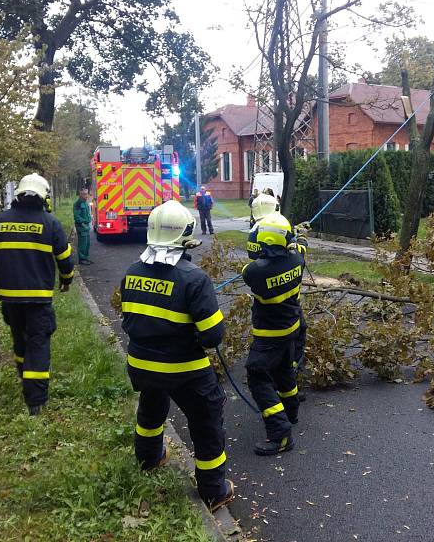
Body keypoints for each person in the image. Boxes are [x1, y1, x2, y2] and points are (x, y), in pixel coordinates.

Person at [120, 200, 234, 511]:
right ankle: (214, 490)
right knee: (206, 420)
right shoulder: (194, 279)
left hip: (142, 365)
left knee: (152, 404)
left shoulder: (132, 272)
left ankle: (149, 458)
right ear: (185, 235)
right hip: (183, 369)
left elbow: (129, 320)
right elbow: (213, 337)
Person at [0, 173, 74, 416]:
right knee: (38, 343)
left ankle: (25, 381)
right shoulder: (50, 223)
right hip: (38, 299)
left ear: (19, 194)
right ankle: (36, 401)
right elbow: (65, 259)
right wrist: (67, 281)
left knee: (20, 342)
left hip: (9, 299)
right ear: (44, 197)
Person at [242, 212, 305, 456]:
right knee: (284, 370)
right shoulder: (297, 260)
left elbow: (250, 266)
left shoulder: (255, 272)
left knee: (257, 374)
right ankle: (291, 412)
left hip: (269, 334)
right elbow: (299, 248)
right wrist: (298, 236)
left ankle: (280, 433)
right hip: (292, 328)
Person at [73, 188, 93, 265]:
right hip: (81, 226)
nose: (86, 196)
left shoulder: (85, 203)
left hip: (86, 226)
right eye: (84, 194)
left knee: (87, 243)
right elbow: (77, 216)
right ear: (80, 194)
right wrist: (83, 224)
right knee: (82, 244)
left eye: (87, 194)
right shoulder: (78, 204)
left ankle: (86, 258)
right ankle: (82, 259)